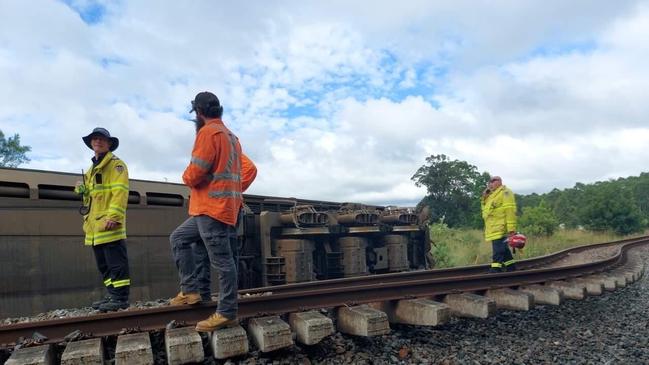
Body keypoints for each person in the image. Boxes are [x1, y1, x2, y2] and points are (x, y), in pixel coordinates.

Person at [169, 91, 257, 332]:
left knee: (224, 261)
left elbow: (193, 174)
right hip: (222, 209)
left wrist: (192, 178)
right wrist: (232, 189)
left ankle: (227, 312)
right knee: (180, 239)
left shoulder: (208, 133)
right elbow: (248, 169)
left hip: (212, 210)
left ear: (198, 112)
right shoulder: (231, 137)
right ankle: (192, 291)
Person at [75, 127, 131, 311]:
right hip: (95, 227)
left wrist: (114, 216)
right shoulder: (92, 169)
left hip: (109, 224)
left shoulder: (116, 165)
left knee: (116, 263)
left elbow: (120, 192)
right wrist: (83, 190)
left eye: (101, 139)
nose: (97, 141)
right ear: (91, 143)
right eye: (95, 139)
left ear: (109, 144)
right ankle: (112, 294)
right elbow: (93, 198)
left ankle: (121, 298)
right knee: (104, 265)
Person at [480, 175, 517, 273]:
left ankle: (495, 269)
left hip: (501, 228)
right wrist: (484, 197)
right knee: (504, 251)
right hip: (493, 228)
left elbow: (510, 211)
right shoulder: (492, 195)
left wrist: (511, 229)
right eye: (489, 182)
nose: (490, 183)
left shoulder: (505, 193)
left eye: (493, 181)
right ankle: (511, 268)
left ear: (500, 181)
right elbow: (485, 212)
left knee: (498, 250)